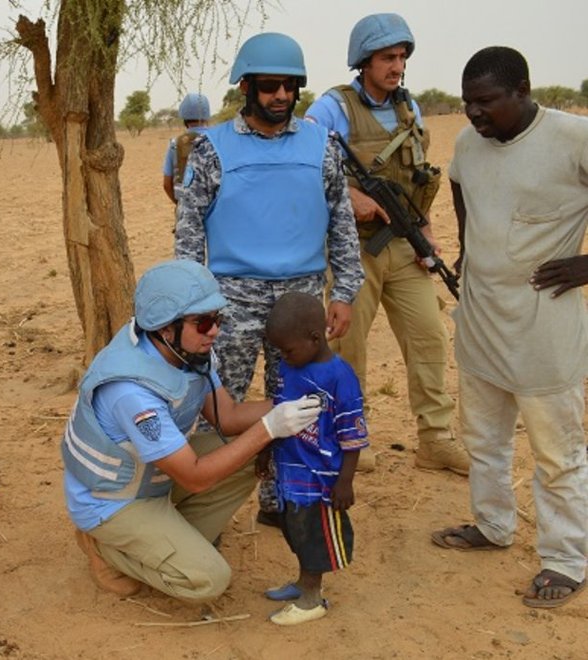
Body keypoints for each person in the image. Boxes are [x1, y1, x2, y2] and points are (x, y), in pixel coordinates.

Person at [174, 32, 364, 527]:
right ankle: (207, 507)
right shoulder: (211, 148)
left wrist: (343, 292)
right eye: (269, 86)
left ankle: (283, 502)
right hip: (229, 298)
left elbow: (341, 220)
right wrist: (194, 301)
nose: (281, 96)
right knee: (219, 403)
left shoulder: (321, 145)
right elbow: (189, 227)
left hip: (301, 298)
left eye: (290, 86)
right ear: (247, 87)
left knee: (298, 403)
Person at [430, 46, 588, 609]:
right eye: (468, 102)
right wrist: (472, 251)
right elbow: (459, 187)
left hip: (545, 324)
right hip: (481, 318)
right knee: (484, 439)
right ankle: (493, 526)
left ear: (522, 90)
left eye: (486, 102)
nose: (473, 113)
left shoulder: (573, 138)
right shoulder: (470, 144)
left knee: (556, 451)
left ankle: (566, 559)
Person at [63, 259, 323, 602]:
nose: (215, 330)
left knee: (252, 450)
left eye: (217, 318)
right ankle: (106, 547)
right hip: (114, 502)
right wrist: (270, 427)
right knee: (208, 580)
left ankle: (163, 538)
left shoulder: (185, 351)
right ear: (166, 328)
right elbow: (195, 478)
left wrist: (299, 405)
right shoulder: (132, 392)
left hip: (152, 479)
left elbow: (227, 417)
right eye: (203, 322)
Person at [305, 13, 466, 476]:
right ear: (364, 61)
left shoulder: (408, 109)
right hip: (352, 248)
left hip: (402, 241)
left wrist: (427, 233)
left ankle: (435, 439)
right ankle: (350, 435)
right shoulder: (333, 107)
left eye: (401, 57)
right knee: (349, 344)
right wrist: (349, 194)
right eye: (386, 58)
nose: (396, 66)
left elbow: (418, 178)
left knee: (429, 337)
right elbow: (305, 161)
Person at [259, 292, 367, 625]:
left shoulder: (339, 377)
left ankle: (312, 597)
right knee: (295, 530)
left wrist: (345, 481)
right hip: (290, 473)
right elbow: (277, 412)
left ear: (315, 338)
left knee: (314, 536)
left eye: (288, 350)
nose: (283, 357)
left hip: (321, 479)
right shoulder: (290, 367)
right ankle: (302, 582)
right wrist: (264, 451)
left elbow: (352, 435)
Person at [161, 93, 213, 205]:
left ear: (184, 119)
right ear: (207, 116)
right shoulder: (218, 140)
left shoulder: (174, 144)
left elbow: (166, 184)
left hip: (186, 208)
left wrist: (180, 205)